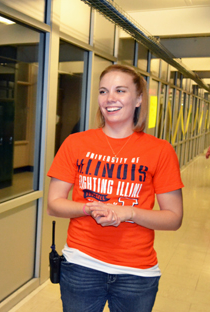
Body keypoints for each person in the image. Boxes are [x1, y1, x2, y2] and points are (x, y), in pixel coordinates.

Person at [47, 64, 183, 312]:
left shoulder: (160, 150)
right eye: (103, 91)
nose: (110, 98)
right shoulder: (75, 143)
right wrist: (92, 208)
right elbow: (54, 203)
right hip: (81, 265)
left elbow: (173, 218)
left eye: (120, 90)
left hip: (137, 272)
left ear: (139, 98)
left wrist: (127, 212)